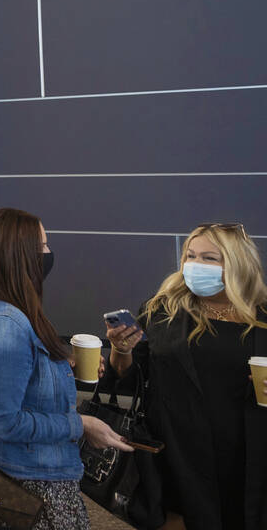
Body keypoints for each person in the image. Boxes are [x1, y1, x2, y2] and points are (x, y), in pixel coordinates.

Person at [0, 207, 130, 528]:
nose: (49, 254)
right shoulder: (8, 324)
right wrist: (81, 425)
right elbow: (4, 422)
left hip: (9, 470)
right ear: (20, 255)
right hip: (30, 483)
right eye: (43, 246)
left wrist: (57, 365)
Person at [106, 222, 267, 529]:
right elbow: (129, 378)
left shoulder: (263, 317)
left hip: (248, 461)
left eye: (209, 258)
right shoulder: (160, 311)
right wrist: (120, 349)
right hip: (178, 463)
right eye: (190, 256)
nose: (195, 265)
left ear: (237, 263)